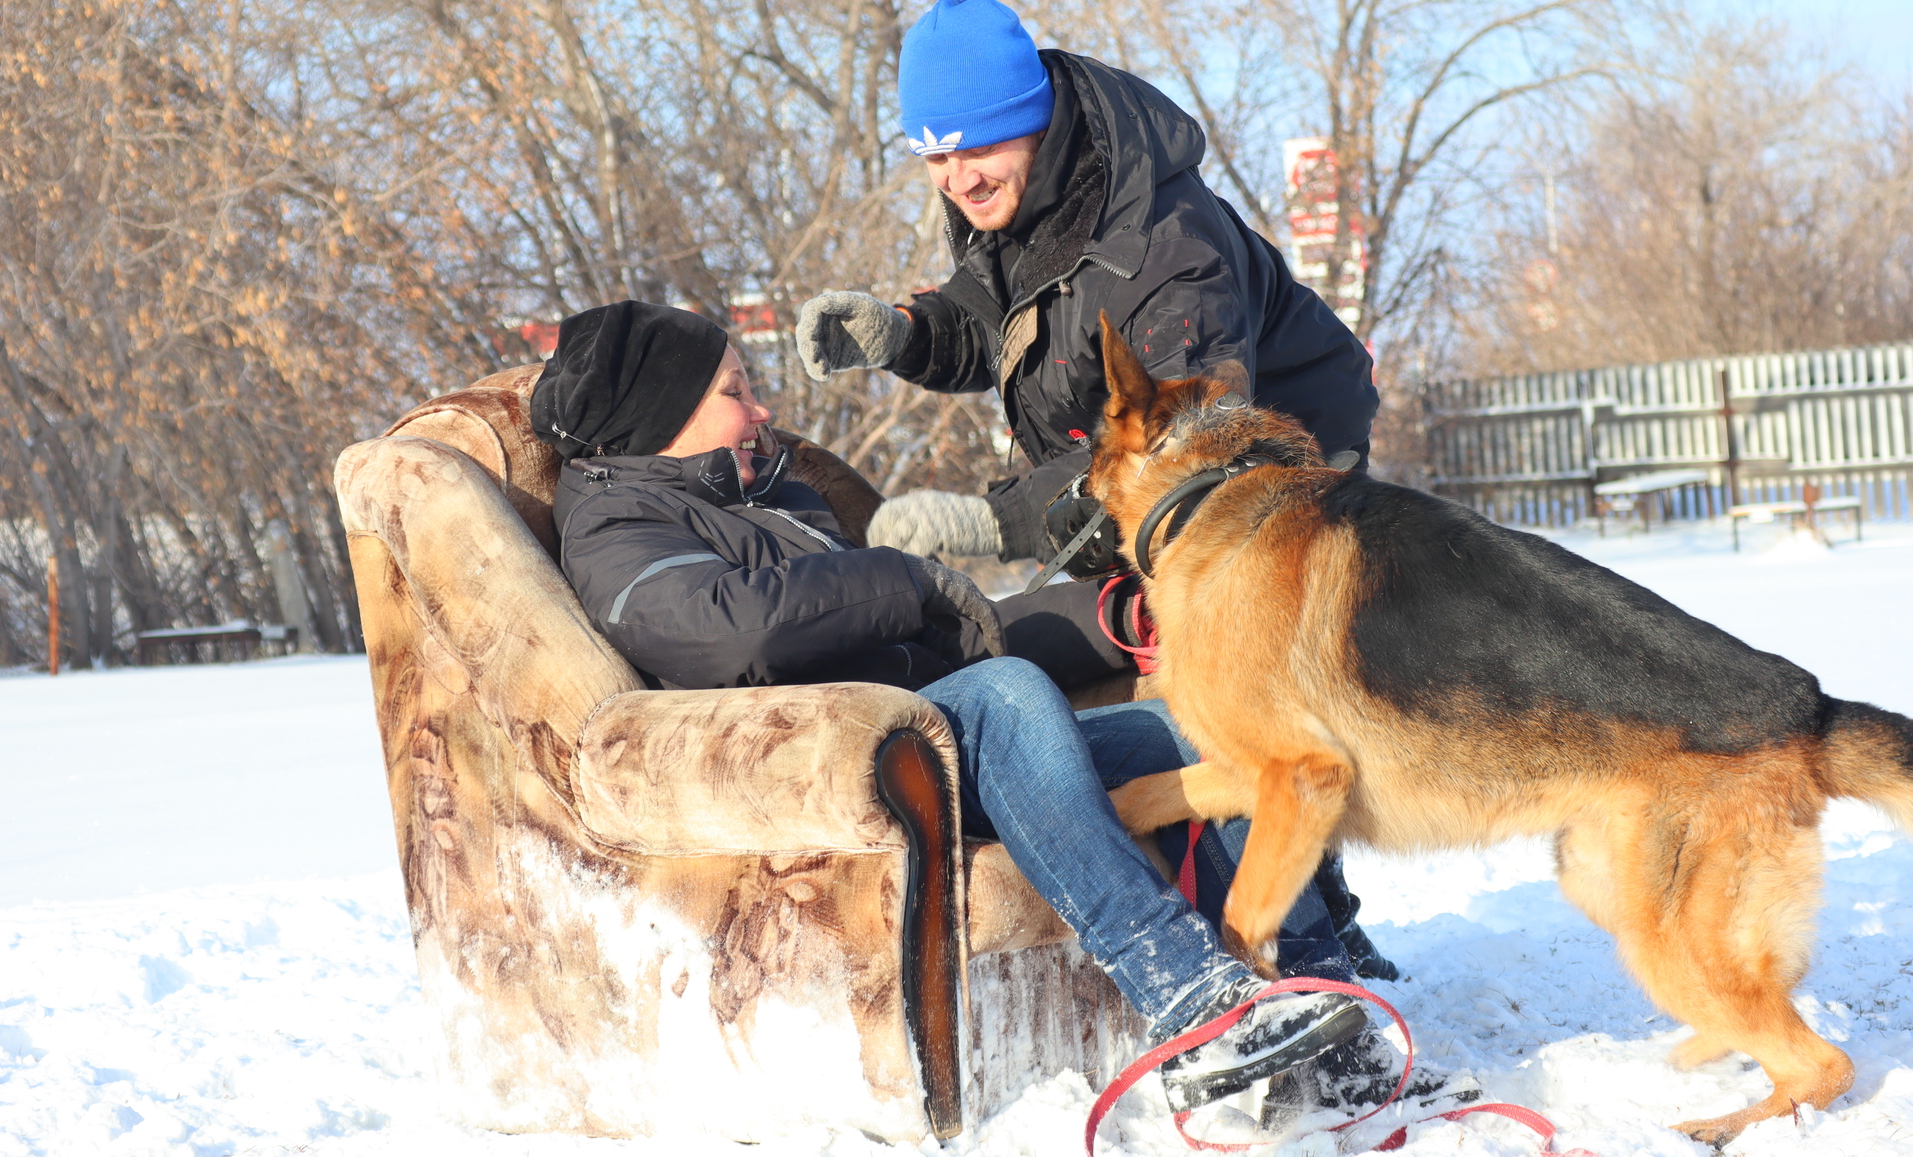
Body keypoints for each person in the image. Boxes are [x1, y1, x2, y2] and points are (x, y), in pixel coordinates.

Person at [530, 301, 1457, 1122]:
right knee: (1005, 695)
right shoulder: (617, 527)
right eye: (736, 390)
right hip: (847, 766)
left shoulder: (766, 492)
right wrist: (906, 577)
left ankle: (1321, 1003)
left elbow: (906, 625)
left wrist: (1082, 618)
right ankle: (1190, 996)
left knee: (1190, 735)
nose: (762, 409)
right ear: (663, 414)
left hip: (935, 725)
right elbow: (726, 634)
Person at [793, 0, 1396, 984]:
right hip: (1136, 469)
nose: (955, 179)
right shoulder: (1029, 193)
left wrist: (996, 516)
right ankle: (1333, 937)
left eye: (973, 151)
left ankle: (1309, 964)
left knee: (1228, 695)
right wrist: (903, 334)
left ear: (1028, 116)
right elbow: (997, 312)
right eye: (933, 159)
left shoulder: (1167, 249)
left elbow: (1187, 440)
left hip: (1273, 468)